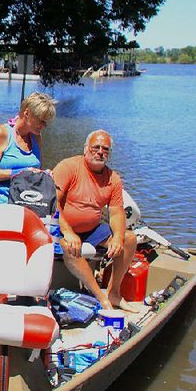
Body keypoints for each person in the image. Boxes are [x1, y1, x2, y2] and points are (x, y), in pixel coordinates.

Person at [53, 130, 137, 311]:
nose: (100, 152)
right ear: (86, 149)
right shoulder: (68, 167)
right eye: (95, 147)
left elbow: (116, 213)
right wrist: (67, 231)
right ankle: (101, 297)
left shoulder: (113, 179)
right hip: (62, 228)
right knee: (70, 246)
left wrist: (118, 238)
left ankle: (114, 293)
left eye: (105, 149)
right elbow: (53, 203)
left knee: (129, 239)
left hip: (92, 230)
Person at [0, 92, 57, 206]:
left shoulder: (36, 137)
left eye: (46, 121)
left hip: (27, 204)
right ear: (27, 113)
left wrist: (44, 175)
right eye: (41, 120)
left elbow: (34, 172)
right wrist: (18, 173)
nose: (44, 125)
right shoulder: (1, 133)